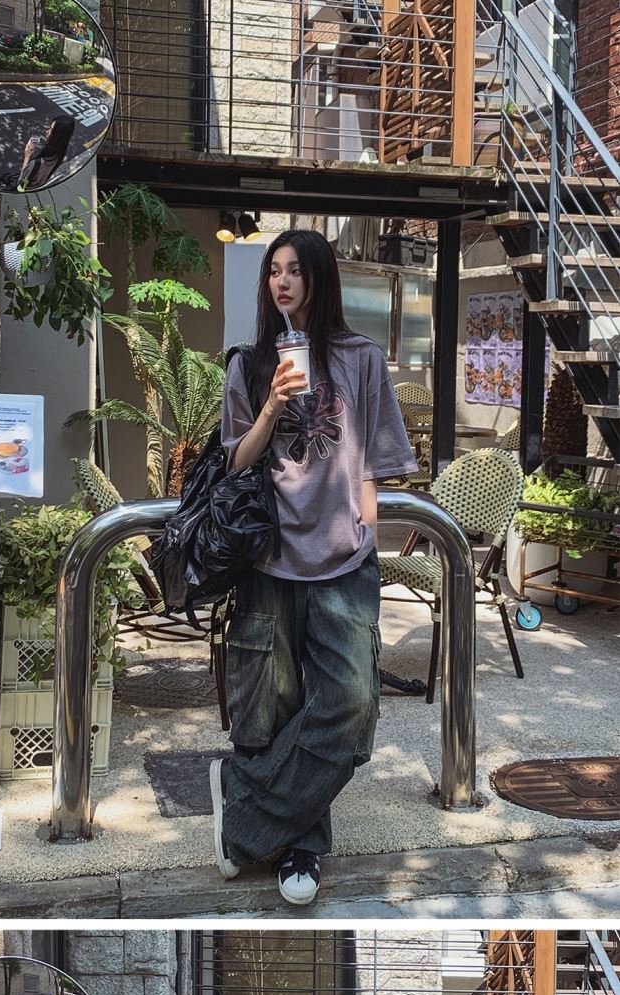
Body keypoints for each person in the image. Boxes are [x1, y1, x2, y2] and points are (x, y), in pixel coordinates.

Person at [209, 229, 417, 908]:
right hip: (270, 557)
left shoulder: (362, 358)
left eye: (295, 270)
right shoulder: (248, 364)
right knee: (273, 709)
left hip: (343, 558)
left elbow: (374, 461)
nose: (282, 281)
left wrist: (366, 533)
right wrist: (272, 403)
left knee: (351, 705)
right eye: (274, 271)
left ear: (319, 278)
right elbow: (236, 462)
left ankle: (241, 805)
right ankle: (302, 845)